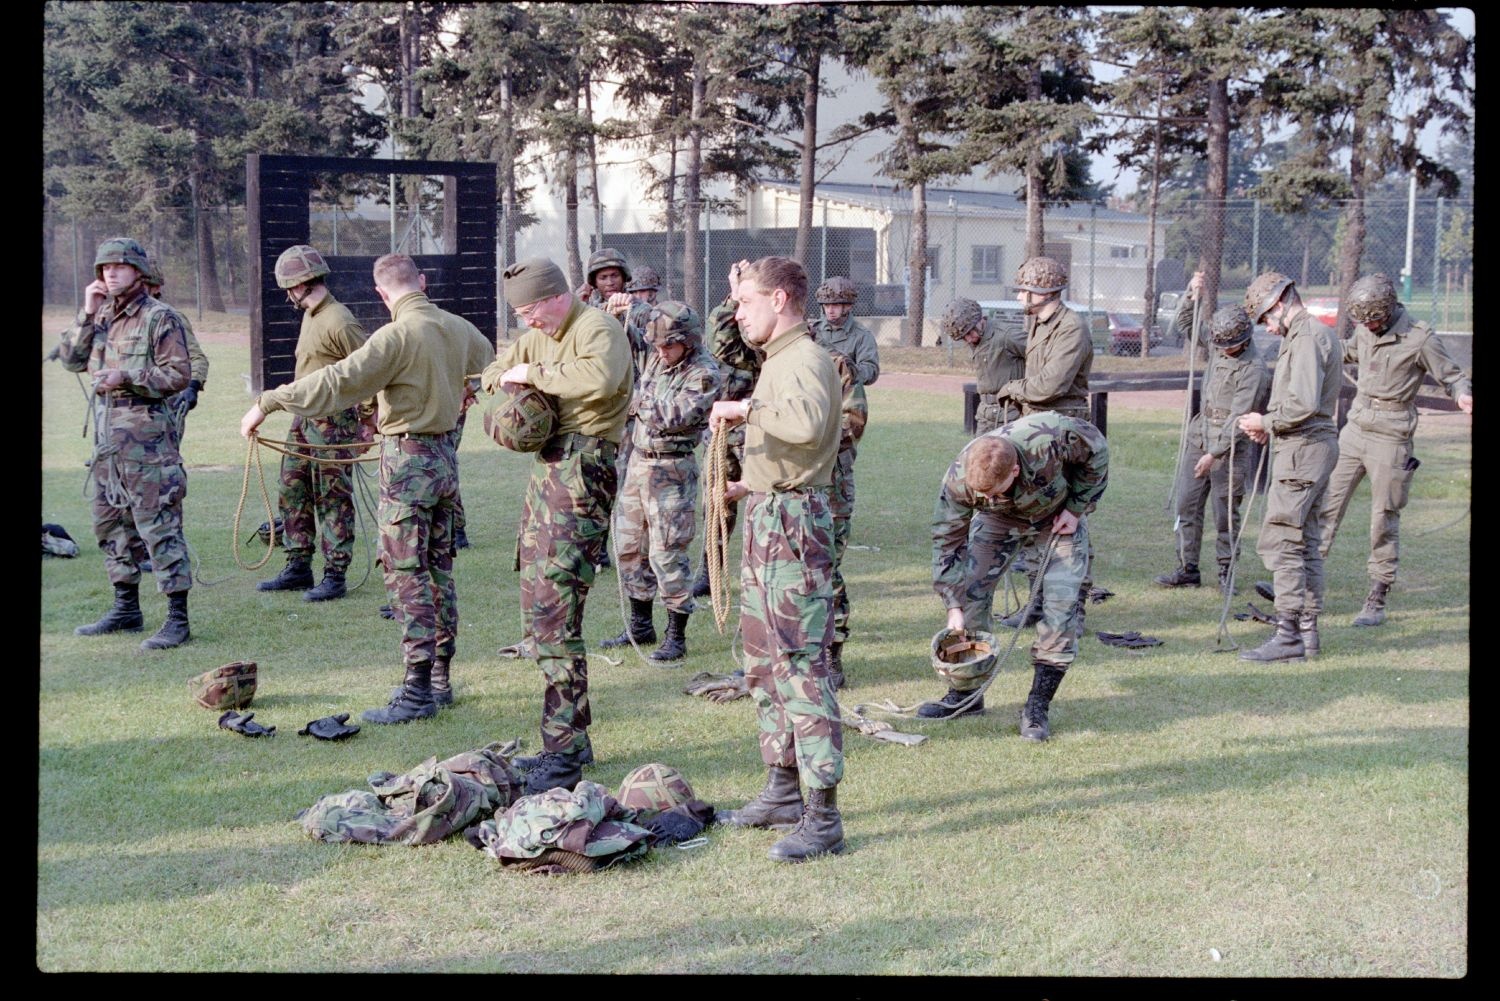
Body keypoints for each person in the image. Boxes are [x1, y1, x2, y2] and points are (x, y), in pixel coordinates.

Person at [241, 253, 494, 721]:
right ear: (421, 282)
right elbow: (492, 365)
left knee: (406, 573)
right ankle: (439, 679)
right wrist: (469, 387)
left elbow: (339, 381)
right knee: (439, 570)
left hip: (408, 464)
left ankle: (417, 691)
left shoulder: (396, 335)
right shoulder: (458, 328)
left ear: (381, 292)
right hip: (443, 460)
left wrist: (269, 401)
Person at [709, 256, 846, 864]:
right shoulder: (778, 359)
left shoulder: (807, 358)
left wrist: (744, 410)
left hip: (794, 526)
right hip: (771, 514)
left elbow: (811, 424)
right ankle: (784, 790)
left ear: (782, 299)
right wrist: (750, 484)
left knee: (799, 665)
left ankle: (824, 817)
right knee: (763, 665)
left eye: (746, 302)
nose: (739, 314)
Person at [485, 257, 633, 795]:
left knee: (555, 612)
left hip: (583, 467)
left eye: (531, 311)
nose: (528, 323)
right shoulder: (536, 335)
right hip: (550, 469)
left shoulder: (598, 328)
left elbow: (601, 378)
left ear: (555, 296)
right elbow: (497, 365)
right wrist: (506, 379)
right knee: (540, 602)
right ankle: (571, 740)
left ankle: (563, 754)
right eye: (519, 314)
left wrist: (534, 377)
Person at [923, 413, 1109, 741]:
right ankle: (967, 696)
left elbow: (1098, 453)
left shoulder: (1052, 438)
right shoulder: (959, 478)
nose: (990, 498)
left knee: (1060, 606)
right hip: (998, 522)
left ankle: (1037, 706)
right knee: (968, 595)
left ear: (1015, 470)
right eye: (984, 496)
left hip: (1056, 516)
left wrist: (1077, 508)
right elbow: (947, 539)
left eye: (997, 491)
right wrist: (953, 605)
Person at [1310, 273, 1472, 626]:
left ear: (1387, 310)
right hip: (1355, 429)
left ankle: (1376, 599)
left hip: (1392, 435)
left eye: (1373, 320)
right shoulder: (1365, 329)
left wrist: (1462, 395)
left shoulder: (1419, 337)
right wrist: (1316, 344)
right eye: (1362, 321)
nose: (1367, 327)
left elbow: (1452, 375)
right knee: (1326, 505)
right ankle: (1303, 586)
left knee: (1383, 518)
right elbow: (1347, 349)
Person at [57, 237, 195, 651]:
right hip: (108, 444)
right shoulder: (99, 315)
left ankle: (177, 618)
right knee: (109, 524)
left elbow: (178, 375)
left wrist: (128, 377)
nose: (110, 273)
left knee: (159, 526)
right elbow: (70, 359)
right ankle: (126, 607)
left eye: (119, 266)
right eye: (104, 268)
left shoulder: (159, 317)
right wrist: (85, 311)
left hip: (149, 445)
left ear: (138, 271)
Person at [601, 301, 722, 663]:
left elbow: (676, 415)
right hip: (638, 464)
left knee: (667, 553)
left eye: (669, 345)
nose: (661, 352)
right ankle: (640, 626)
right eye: (657, 346)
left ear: (689, 341)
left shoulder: (703, 372)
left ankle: (676, 636)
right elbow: (640, 317)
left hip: (672, 470)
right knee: (629, 547)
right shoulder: (658, 354)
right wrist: (629, 303)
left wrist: (634, 401)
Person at [1235, 271, 1342, 662]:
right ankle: (1308, 634)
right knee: (1305, 539)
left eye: (1265, 318)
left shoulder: (1307, 337)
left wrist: (1265, 422)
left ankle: (1289, 636)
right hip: (1306, 445)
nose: (1267, 327)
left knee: (1283, 542)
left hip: (1303, 449)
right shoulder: (1310, 334)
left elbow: (1304, 403)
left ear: (1279, 303)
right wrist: (1272, 425)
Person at [255, 244, 371, 603]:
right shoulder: (311, 314)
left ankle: (335, 574)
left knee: (332, 496)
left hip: (335, 422)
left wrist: (368, 422)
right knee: (293, 490)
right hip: (303, 418)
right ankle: (298, 565)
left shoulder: (340, 320)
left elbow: (369, 369)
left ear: (298, 285)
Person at [995, 255, 1095, 629]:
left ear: (1044, 291)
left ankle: (1073, 608)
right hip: (1036, 426)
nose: (1020, 295)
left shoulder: (1072, 328)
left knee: (1069, 519)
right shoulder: (1039, 322)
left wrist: (1013, 388)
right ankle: (1037, 601)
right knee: (1035, 514)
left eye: (1025, 289)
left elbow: (1050, 385)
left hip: (1065, 431)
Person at [1154, 274, 1272, 593]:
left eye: (1229, 347)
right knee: (1186, 505)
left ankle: (1225, 572)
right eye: (1220, 345)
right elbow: (1185, 325)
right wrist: (1193, 294)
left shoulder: (1254, 370)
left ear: (1244, 340)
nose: (1222, 350)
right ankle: (1188, 568)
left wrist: (1214, 455)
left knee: (1225, 515)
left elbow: (1238, 419)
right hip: (1199, 437)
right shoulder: (1221, 340)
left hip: (1228, 451)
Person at [809, 276, 881, 688]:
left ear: (849, 307)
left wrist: (845, 365)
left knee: (830, 560)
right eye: (828, 305)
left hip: (837, 453)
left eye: (839, 306)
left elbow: (870, 372)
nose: (833, 311)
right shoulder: (811, 333)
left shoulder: (860, 336)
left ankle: (834, 652)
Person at [690, 262, 764, 599]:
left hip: (757, 431)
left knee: (761, 502)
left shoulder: (761, 339)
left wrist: (738, 292)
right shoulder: (729, 326)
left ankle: (760, 571)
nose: (738, 311)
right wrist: (734, 293)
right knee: (717, 504)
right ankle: (710, 570)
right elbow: (719, 335)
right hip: (723, 432)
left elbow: (724, 340)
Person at [140, 255, 208, 446]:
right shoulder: (118, 318)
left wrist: (192, 387)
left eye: (144, 285)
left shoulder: (170, 317)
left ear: (156, 288)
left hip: (163, 412)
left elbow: (197, 358)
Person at [942, 297, 1026, 436]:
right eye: (963, 337)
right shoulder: (977, 341)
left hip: (1011, 415)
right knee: (976, 456)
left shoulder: (1006, 336)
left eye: (969, 332)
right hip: (985, 415)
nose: (968, 339)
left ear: (980, 320)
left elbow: (1041, 356)